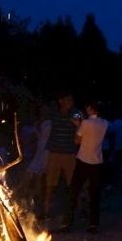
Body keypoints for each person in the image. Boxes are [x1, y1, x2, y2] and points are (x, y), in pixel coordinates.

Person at [66, 100, 109, 232]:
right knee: (94, 193)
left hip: (83, 160)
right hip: (97, 162)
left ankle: (68, 222)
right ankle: (93, 224)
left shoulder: (85, 123)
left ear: (90, 109)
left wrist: (78, 126)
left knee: (74, 190)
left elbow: (76, 141)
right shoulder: (105, 123)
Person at [43, 92, 80, 221]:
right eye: (68, 99)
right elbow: (44, 118)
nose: (71, 102)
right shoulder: (54, 113)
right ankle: (46, 210)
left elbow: (81, 127)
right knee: (50, 183)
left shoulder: (76, 113)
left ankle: (73, 211)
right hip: (55, 152)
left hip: (69, 152)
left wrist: (78, 125)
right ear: (61, 101)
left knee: (72, 183)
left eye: (71, 100)